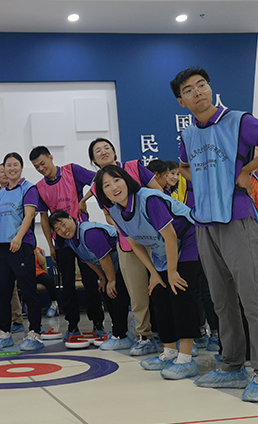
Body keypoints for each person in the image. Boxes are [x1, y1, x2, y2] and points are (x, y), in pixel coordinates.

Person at [172, 67, 258, 402]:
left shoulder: (238, 120)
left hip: (237, 218)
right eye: (189, 90)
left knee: (251, 296)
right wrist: (205, 181)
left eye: (202, 85)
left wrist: (247, 169)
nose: (198, 92)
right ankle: (232, 365)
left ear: (210, 89)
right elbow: (184, 167)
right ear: (181, 101)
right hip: (204, 223)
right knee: (221, 299)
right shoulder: (187, 136)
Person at [97, 165, 202, 379]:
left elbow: (170, 235)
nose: (114, 187)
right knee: (159, 296)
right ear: (103, 194)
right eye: (106, 185)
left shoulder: (149, 199)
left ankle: (186, 358)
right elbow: (135, 244)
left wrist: (172, 271)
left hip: (188, 240)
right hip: (162, 250)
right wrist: (153, 273)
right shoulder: (115, 212)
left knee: (179, 293)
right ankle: (169, 352)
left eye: (116, 180)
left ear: (126, 180)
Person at [85, 138, 160, 357]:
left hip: (156, 239)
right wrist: (127, 227)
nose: (103, 152)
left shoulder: (134, 166)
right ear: (93, 160)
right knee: (137, 294)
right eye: (98, 151)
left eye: (107, 148)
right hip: (128, 244)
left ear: (114, 151)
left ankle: (171, 335)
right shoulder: (97, 187)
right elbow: (109, 216)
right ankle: (144, 337)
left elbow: (158, 193)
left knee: (163, 288)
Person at [30, 146, 104, 337]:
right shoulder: (39, 187)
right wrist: (50, 245)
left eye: (43, 163)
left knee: (90, 280)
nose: (41, 168)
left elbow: (99, 179)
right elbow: (44, 218)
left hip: (82, 236)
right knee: (68, 284)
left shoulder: (72, 170)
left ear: (51, 157)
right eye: (37, 167)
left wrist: (84, 199)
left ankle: (98, 323)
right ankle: (72, 325)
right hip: (61, 242)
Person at [0, 152, 44, 351]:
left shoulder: (28, 188)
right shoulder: (0, 194)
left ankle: (34, 333)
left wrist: (18, 237)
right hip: (2, 248)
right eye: (8, 165)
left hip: (21, 245)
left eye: (15, 164)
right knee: (2, 292)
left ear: (21, 167)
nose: (11, 168)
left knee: (28, 291)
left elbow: (29, 216)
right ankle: (5, 333)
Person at [49, 210, 132, 350]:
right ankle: (119, 331)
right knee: (107, 291)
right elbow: (88, 260)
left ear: (71, 218)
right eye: (57, 229)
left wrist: (111, 280)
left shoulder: (90, 233)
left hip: (127, 257)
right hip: (114, 265)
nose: (63, 230)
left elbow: (104, 258)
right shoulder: (71, 241)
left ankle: (122, 335)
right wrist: (103, 278)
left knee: (117, 293)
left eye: (63, 224)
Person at [0, 165, 25, 331]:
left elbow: (29, 214)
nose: (4, 173)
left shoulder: (22, 190)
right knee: (4, 286)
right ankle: (5, 326)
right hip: (0, 244)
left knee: (17, 286)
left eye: (6, 170)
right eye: (0, 172)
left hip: (18, 243)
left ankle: (18, 320)